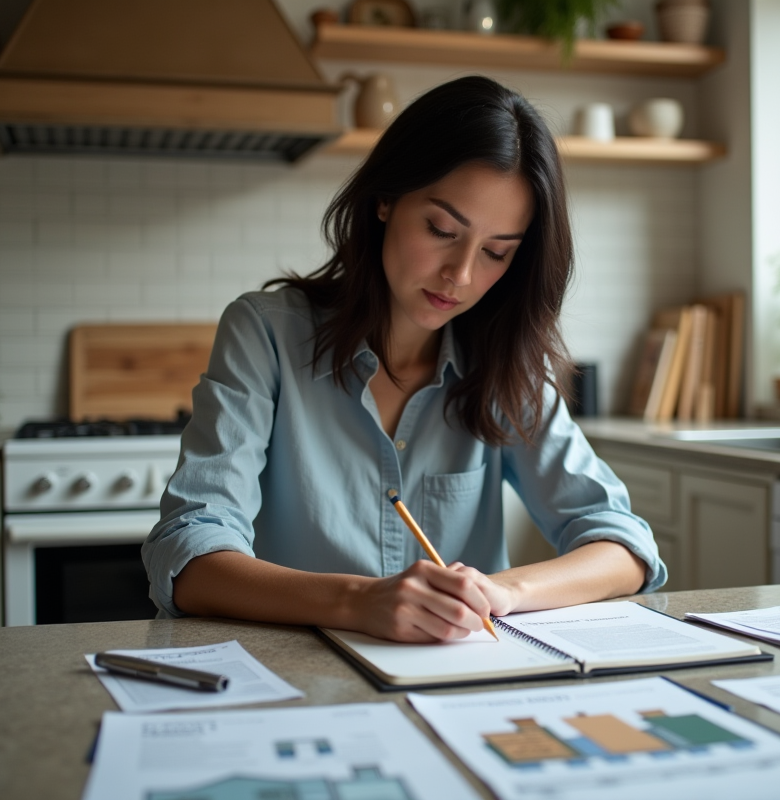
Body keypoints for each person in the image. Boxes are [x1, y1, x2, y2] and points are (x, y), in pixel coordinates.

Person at [142, 75, 666, 643]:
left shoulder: (503, 366)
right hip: (294, 676)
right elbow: (188, 554)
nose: (460, 275)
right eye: (441, 229)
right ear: (386, 199)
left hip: (456, 682)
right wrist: (357, 601)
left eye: (496, 253)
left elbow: (625, 546)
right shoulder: (265, 333)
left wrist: (503, 592)